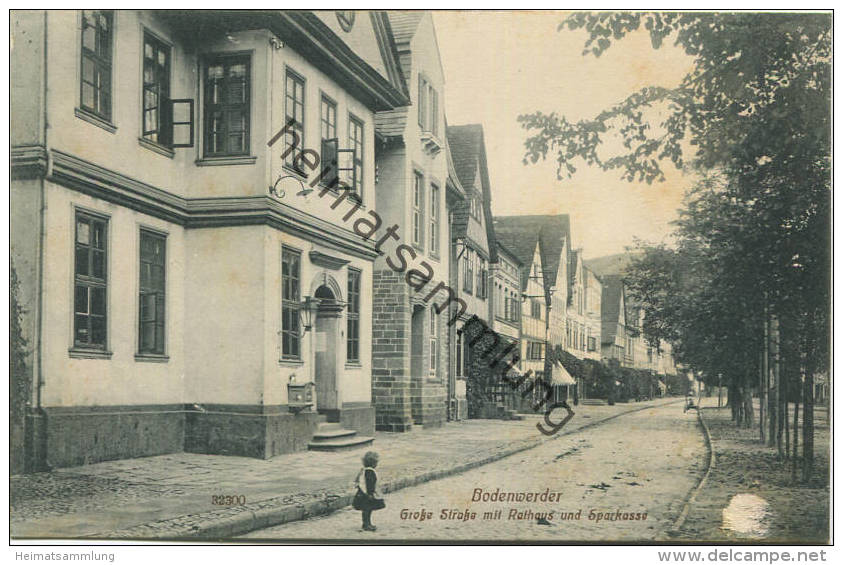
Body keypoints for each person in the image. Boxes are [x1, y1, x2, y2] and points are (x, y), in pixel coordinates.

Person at [353, 451, 385, 531]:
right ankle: (366, 524)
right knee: (367, 509)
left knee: (367, 509)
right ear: (373, 463)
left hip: (363, 492)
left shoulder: (364, 470)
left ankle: (367, 523)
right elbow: (370, 483)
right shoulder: (370, 472)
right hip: (367, 494)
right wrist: (370, 493)